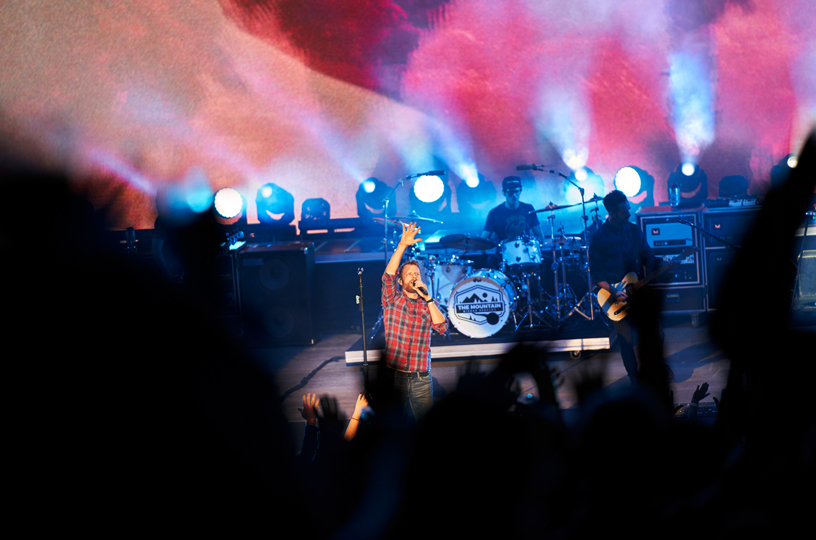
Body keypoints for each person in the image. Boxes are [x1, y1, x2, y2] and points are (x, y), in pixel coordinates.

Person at [588, 190, 663, 383]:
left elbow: (648, 258)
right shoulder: (598, 238)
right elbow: (596, 274)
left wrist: (664, 264)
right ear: (611, 213)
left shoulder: (633, 230)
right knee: (626, 339)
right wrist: (614, 291)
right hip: (613, 295)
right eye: (624, 212)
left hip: (637, 291)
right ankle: (634, 377)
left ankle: (653, 369)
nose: (628, 214)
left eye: (628, 209)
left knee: (655, 332)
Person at [382, 222, 448, 423]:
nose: (414, 276)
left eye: (417, 274)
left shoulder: (427, 303)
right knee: (392, 427)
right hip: (394, 375)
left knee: (427, 428)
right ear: (401, 281)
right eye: (409, 274)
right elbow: (387, 277)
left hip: (421, 376)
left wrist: (428, 299)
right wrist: (402, 245)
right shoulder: (392, 298)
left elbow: (442, 327)